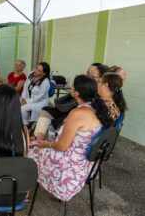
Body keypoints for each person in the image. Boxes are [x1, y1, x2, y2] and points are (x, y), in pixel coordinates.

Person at [28, 74, 113, 202]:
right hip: (86, 165)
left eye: (72, 87)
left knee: (29, 153)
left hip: (70, 168)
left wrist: (45, 144)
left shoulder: (78, 113)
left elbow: (62, 146)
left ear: (76, 93)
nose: (71, 89)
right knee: (37, 149)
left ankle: (25, 194)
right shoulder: (98, 108)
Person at [33, 63, 110, 139]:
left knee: (60, 121)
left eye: (93, 76)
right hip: (70, 113)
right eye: (88, 73)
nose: (89, 77)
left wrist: (49, 145)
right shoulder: (89, 103)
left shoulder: (92, 104)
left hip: (70, 142)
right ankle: (38, 137)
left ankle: (42, 139)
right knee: (47, 110)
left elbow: (62, 146)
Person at [21, 62, 51, 127]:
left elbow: (39, 97)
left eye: (39, 71)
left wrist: (26, 102)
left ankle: (25, 125)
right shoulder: (31, 74)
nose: (36, 71)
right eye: (36, 68)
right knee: (14, 103)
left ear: (44, 73)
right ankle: (21, 122)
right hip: (28, 98)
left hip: (39, 102)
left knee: (22, 108)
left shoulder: (45, 82)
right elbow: (25, 87)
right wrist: (23, 98)